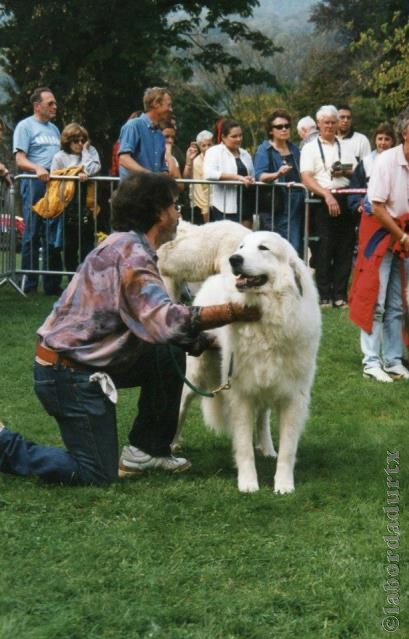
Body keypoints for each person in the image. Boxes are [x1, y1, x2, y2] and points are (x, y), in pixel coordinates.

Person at [0, 172, 260, 485]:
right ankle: (5, 443)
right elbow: (165, 320)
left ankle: (147, 451)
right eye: (175, 206)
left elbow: (153, 326)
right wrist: (233, 311)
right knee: (95, 473)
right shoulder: (132, 256)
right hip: (68, 375)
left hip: (79, 363)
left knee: (167, 352)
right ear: (158, 213)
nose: (179, 214)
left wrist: (205, 341)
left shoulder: (128, 247)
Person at [349, 108, 409, 382]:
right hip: (380, 234)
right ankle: (371, 362)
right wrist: (402, 236)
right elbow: (376, 206)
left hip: (403, 235)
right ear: (405, 134)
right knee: (376, 298)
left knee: (398, 303)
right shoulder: (386, 161)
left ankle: (394, 360)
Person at [300, 104, 357, 308]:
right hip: (322, 200)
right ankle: (324, 295)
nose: (331, 126)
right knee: (323, 248)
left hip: (344, 197)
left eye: (334, 122)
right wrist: (325, 194)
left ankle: (340, 294)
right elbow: (306, 176)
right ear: (319, 124)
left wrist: (344, 171)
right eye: (326, 122)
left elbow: (354, 171)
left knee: (345, 247)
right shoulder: (309, 147)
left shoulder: (346, 146)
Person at [13, 86, 62, 295]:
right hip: (35, 182)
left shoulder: (55, 129)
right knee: (33, 231)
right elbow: (19, 159)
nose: (55, 106)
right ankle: (29, 284)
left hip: (55, 182)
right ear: (37, 106)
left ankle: (52, 285)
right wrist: (37, 168)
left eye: (55, 103)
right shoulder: (25, 126)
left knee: (53, 233)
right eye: (50, 103)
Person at [49, 123, 101, 274]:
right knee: (69, 246)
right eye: (76, 141)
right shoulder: (60, 156)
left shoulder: (90, 151)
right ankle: (72, 277)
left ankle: (85, 278)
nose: (80, 144)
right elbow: (55, 179)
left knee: (87, 244)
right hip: (67, 206)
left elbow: (93, 169)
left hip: (87, 205)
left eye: (82, 140)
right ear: (67, 141)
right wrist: (75, 174)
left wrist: (85, 153)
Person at [254, 109, 304, 256]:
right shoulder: (265, 150)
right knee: (280, 245)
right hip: (277, 202)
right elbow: (259, 176)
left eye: (287, 126)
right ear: (271, 131)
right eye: (279, 127)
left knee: (296, 244)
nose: (284, 129)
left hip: (297, 200)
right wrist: (277, 174)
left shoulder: (294, 149)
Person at [203, 119, 255, 229]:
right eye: (234, 136)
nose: (239, 139)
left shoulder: (245, 154)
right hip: (224, 205)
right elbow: (209, 173)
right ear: (223, 137)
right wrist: (237, 177)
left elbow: (252, 174)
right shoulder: (214, 152)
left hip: (245, 204)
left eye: (240, 135)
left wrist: (250, 179)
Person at [118, 87, 172, 178]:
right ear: (156, 104)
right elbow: (124, 159)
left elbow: (162, 167)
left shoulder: (160, 135)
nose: (171, 109)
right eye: (169, 105)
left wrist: (164, 176)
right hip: (134, 191)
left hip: (152, 191)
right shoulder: (133, 126)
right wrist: (150, 176)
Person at [348, 122, 396, 216]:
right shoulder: (366, 162)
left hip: (393, 210)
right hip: (370, 210)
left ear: (393, 141)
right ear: (375, 140)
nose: (383, 142)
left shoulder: (399, 161)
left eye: (387, 139)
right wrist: (357, 204)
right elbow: (355, 186)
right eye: (380, 139)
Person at [183, 130, 214, 224]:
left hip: (216, 205)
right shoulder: (197, 162)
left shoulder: (217, 159)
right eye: (204, 145)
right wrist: (205, 213)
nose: (207, 148)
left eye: (210, 145)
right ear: (199, 147)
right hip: (201, 208)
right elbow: (198, 191)